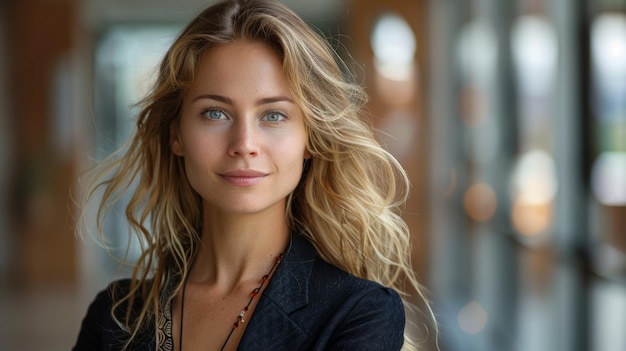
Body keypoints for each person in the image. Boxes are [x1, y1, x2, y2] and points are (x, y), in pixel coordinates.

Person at [74, 0, 433, 350]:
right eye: (215, 113)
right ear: (176, 135)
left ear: (310, 138)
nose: (244, 144)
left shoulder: (359, 313)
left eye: (273, 115)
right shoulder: (114, 316)